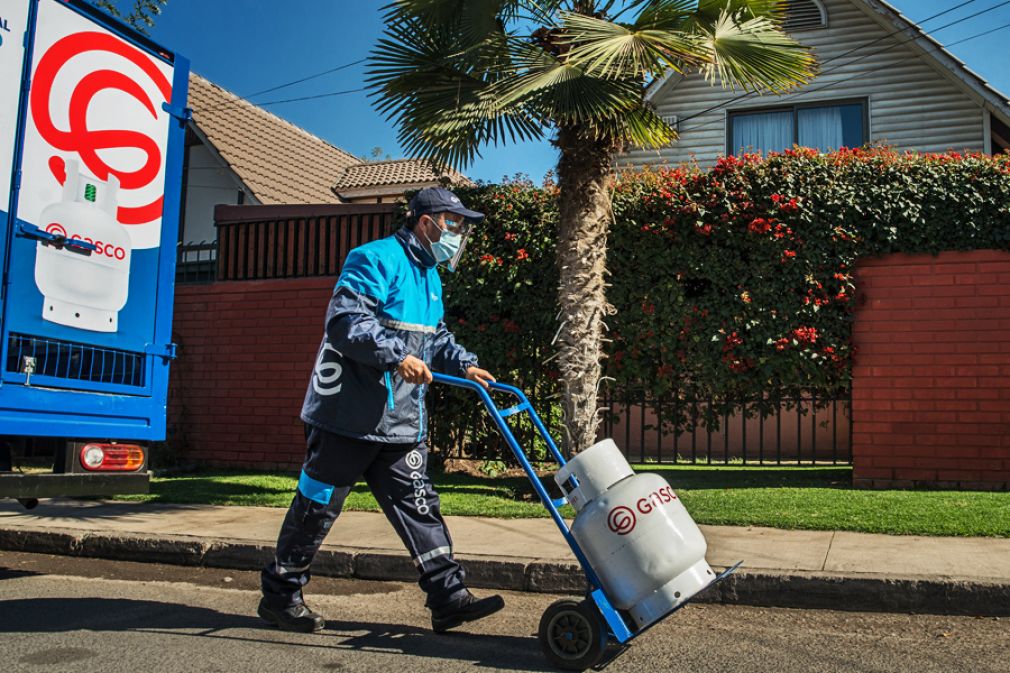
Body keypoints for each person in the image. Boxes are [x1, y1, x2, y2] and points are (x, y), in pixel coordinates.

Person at [258, 187, 504, 634]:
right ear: (426, 222)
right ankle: (280, 596)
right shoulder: (374, 258)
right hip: (345, 417)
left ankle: (448, 598)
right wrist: (395, 356)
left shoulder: (431, 277)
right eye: (454, 223)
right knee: (317, 508)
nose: (460, 233)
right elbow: (346, 322)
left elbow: (435, 338)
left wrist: (465, 364)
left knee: (419, 505)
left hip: (400, 422)